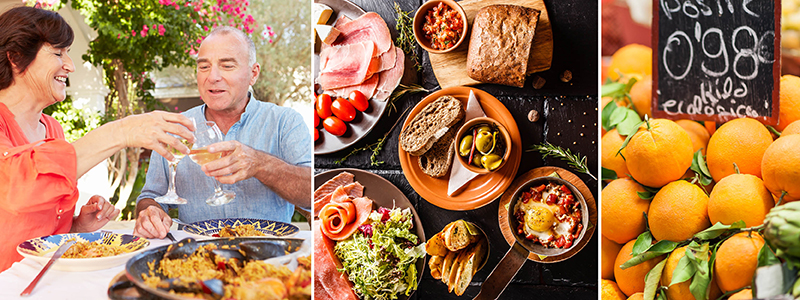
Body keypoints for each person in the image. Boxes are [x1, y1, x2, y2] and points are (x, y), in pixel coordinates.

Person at [0, 7, 196, 271]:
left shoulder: (52, 129)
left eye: (68, 53)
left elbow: (39, 230)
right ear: (15, 57)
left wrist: (78, 226)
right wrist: (122, 131)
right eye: (58, 53)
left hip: (46, 280)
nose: (69, 65)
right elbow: (17, 187)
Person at [133, 26, 312, 239]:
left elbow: (313, 193)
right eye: (204, 67)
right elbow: (150, 197)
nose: (213, 77)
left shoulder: (285, 122)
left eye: (227, 66)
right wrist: (149, 212)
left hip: (272, 257)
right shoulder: (176, 127)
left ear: (253, 74)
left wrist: (261, 164)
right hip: (198, 258)